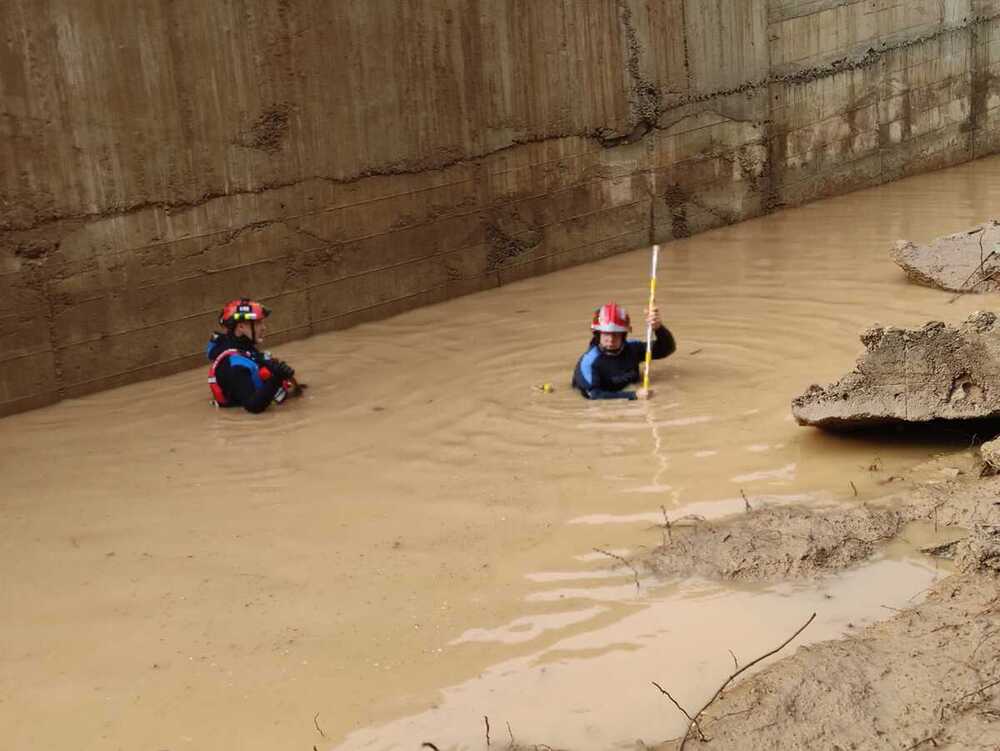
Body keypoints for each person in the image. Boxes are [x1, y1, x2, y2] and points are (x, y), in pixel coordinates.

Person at [206, 297, 299, 413]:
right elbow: (253, 407)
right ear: (240, 327)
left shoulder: (238, 345)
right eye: (258, 323)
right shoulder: (235, 366)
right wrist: (277, 377)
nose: (264, 328)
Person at [572, 302, 676, 400]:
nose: (611, 339)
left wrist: (658, 328)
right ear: (598, 334)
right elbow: (594, 395)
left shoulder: (633, 348)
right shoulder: (589, 363)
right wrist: (633, 395)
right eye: (606, 334)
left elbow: (667, 349)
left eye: (616, 334)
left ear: (624, 335)